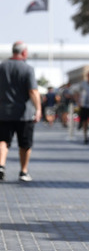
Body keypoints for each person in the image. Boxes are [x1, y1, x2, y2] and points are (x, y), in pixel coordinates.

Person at [0, 41, 41, 182]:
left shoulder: (2, 67)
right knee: (25, 144)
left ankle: (1, 165)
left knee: (3, 140)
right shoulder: (27, 69)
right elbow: (33, 91)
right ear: (24, 52)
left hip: (3, 112)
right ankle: (23, 171)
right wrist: (39, 109)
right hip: (24, 114)